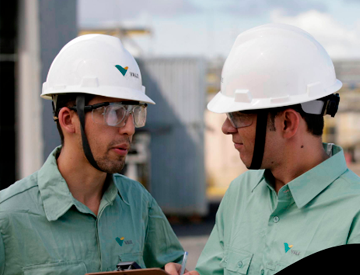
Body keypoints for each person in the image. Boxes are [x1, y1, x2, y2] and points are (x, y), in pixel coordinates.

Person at [165, 23, 360, 275]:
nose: (226, 128)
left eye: (238, 116)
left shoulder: (354, 214)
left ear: (287, 123)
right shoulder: (240, 193)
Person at [0, 34, 184, 274]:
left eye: (134, 112)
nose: (129, 128)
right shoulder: (8, 217)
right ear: (68, 120)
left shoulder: (138, 202)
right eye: (114, 112)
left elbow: (173, 264)